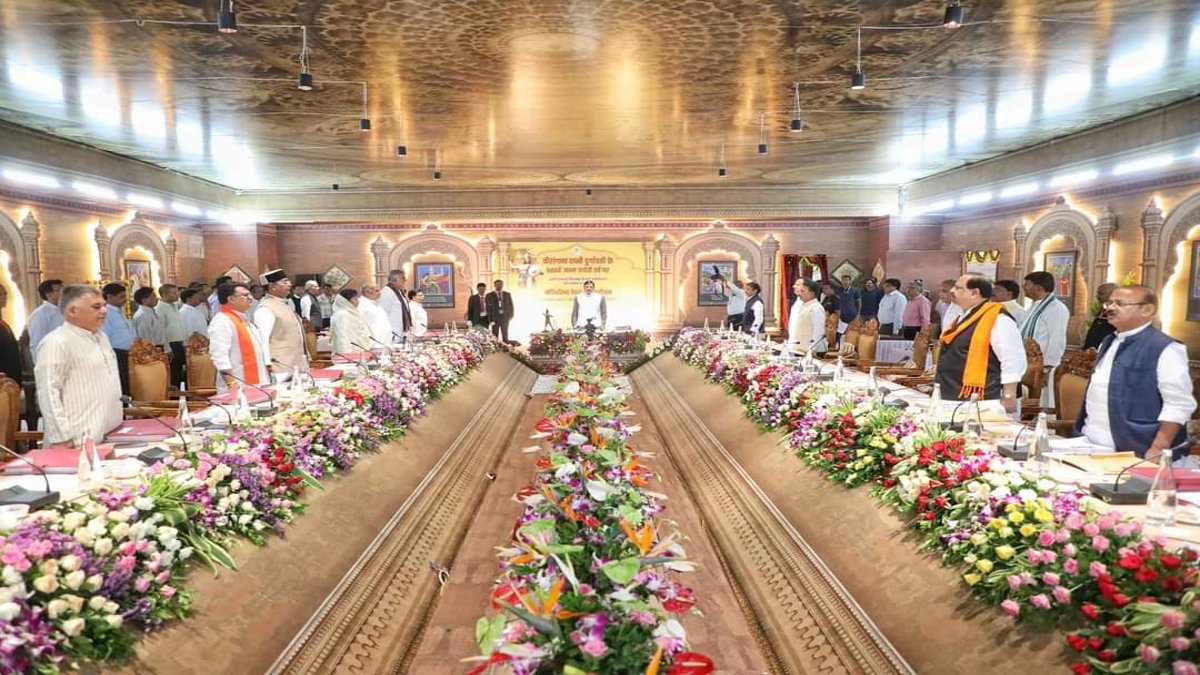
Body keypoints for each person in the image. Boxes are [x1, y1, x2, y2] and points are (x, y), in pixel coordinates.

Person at [1074, 285, 1196, 460]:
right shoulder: (1108, 341)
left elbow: (1178, 404)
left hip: (1139, 451)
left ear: (1147, 309)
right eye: (1109, 303)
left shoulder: (1166, 348)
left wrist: (1159, 447)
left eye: (1120, 303)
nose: (1110, 308)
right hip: (1090, 443)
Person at [34, 285, 124, 445]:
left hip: (109, 433)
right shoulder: (57, 342)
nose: (104, 311)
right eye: (96, 307)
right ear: (72, 311)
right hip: (75, 441)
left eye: (104, 305)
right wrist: (60, 438)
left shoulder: (101, 337)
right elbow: (48, 393)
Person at [935, 274, 1027, 412]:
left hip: (986, 399)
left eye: (958, 288)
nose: (952, 291)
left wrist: (1009, 395)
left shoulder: (998, 319)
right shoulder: (965, 315)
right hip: (956, 395)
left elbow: (1012, 358)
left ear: (975, 293)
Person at [208, 282, 268, 393]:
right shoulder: (222, 321)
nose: (250, 298)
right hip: (237, 384)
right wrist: (231, 384)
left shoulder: (243, 318)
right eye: (245, 295)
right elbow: (220, 355)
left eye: (250, 294)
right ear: (231, 299)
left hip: (257, 382)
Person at [1021, 271, 1069, 406]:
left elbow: (1057, 339)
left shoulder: (1056, 308)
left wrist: (1048, 367)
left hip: (1043, 365)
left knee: (1043, 401)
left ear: (1038, 288)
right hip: (1029, 362)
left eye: (1027, 284)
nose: (1023, 287)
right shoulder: (1035, 306)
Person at [254, 270, 309, 376]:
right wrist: (267, 363)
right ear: (272, 286)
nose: (289, 284)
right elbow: (262, 339)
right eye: (285, 282)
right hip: (280, 366)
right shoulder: (265, 308)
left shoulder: (283, 304)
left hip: (296, 363)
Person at [101, 282, 134, 396]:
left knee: (128, 383)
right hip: (116, 353)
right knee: (121, 384)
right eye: (121, 297)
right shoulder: (106, 314)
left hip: (127, 353)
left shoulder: (120, 312)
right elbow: (105, 337)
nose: (125, 299)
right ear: (110, 297)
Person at [26, 278, 64, 364]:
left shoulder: (63, 310)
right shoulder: (40, 314)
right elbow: (37, 342)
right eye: (59, 290)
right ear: (48, 295)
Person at [156, 284, 187, 388]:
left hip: (179, 343)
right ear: (164, 294)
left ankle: (179, 392)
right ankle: (173, 394)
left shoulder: (174, 306)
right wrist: (167, 348)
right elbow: (161, 330)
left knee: (179, 371)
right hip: (171, 344)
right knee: (173, 373)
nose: (177, 294)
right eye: (174, 293)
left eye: (177, 292)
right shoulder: (160, 309)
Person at [787, 278, 827, 355]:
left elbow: (818, 331)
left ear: (811, 294)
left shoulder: (815, 308)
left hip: (810, 351)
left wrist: (811, 349)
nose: (800, 294)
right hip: (797, 349)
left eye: (803, 291)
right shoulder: (801, 304)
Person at [331, 288, 371, 352]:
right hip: (349, 352)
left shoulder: (353, 312)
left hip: (358, 350)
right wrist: (346, 354)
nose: (358, 301)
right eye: (355, 299)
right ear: (345, 301)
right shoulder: (342, 315)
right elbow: (342, 337)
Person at [377, 269, 412, 340]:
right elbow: (383, 314)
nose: (405, 280)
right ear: (393, 280)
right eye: (402, 278)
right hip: (393, 332)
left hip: (401, 332)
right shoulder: (386, 292)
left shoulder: (398, 292)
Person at [1083, 282, 1118, 350]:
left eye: (1101, 293)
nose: (1097, 296)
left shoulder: (1118, 312)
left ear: (1112, 294)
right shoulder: (1103, 308)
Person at [0, 286, 21, 382]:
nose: (4, 297)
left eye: (5, 293)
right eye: (0, 294)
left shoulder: (4, 323)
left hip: (12, 376)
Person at [836, 275, 861, 340]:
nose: (845, 282)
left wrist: (858, 314)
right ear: (841, 281)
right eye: (844, 280)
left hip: (852, 314)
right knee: (840, 332)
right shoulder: (838, 290)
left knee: (851, 332)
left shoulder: (855, 290)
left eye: (847, 280)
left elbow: (859, 302)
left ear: (850, 281)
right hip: (841, 314)